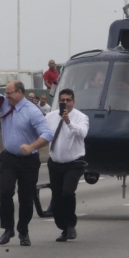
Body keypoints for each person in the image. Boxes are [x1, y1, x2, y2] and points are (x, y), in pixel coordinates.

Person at [0, 59, 54, 247]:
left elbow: (48, 134)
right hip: (9, 158)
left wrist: (32, 147)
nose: (6, 96)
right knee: (6, 192)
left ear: (20, 93)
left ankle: (23, 230)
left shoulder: (32, 111)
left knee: (26, 198)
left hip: (28, 160)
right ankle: (8, 228)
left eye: (9, 93)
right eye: (6, 93)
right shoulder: (3, 103)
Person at [45, 88, 89, 242]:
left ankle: (71, 225)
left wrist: (68, 122)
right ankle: (63, 227)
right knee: (57, 198)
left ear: (73, 102)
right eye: (62, 100)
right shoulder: (50, 117)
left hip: (74, 162)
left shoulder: (81, 117)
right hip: (55, 162)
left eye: (68, 100)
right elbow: (41, 132)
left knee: (67, 192)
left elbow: (82, 133)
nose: (65, 103)